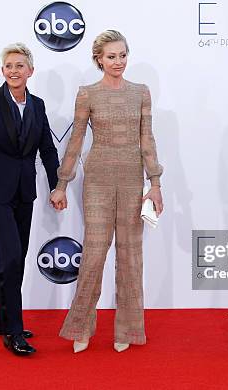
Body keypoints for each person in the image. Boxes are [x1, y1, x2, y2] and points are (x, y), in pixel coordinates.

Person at [50, 30, 164, 353]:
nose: (118, 62)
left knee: (130, 255)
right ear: (99, 59)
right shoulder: (87, 94)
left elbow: (148, 140)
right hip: (97, 179)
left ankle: (127, 329)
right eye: (111, 57)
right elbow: (75, 143)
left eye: (123, 55)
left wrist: (154, 184)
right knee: (94, 253)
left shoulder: (141, 92)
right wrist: (61, 184)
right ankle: (81, 328)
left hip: (132, 180)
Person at [0, 43, 60, 356]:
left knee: (13, 257)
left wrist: (57, 186)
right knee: (13, 255)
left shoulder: (38, 105)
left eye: (20, 66)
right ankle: (13, 332)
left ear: (30, 71)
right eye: (9, 66)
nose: (14, 71)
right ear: (2, 71)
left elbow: (47, 149)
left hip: (24, 192)